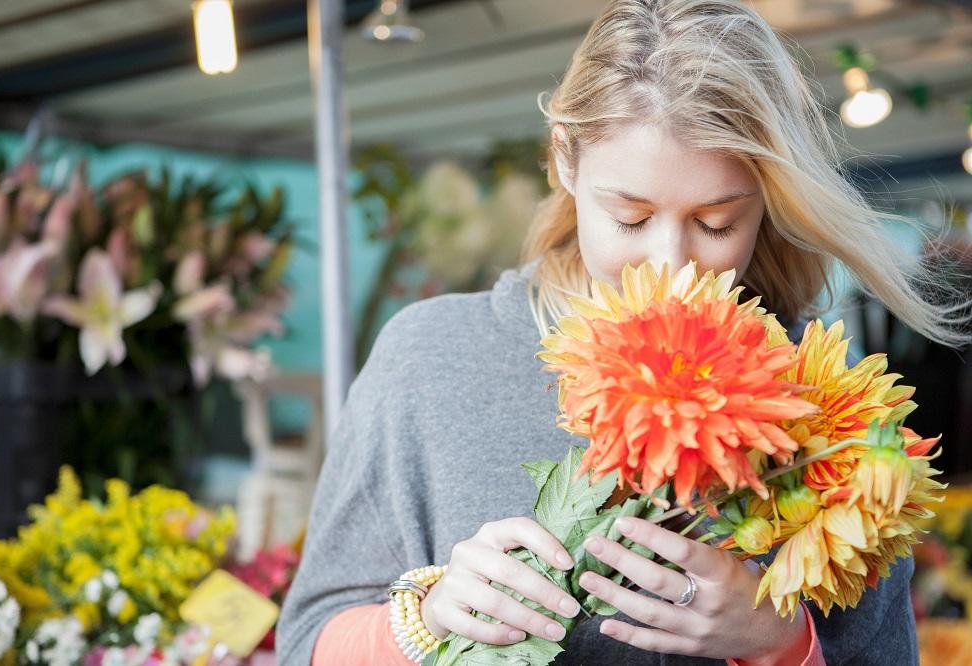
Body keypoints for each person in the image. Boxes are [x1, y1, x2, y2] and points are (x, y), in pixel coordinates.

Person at [277, 1, 968, 664]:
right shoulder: (430, 358)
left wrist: (775, 643)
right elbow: (306, 642)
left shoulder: (825, 408)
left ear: (769, 199)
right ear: (565, 161)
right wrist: (427, 621)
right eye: (631, 219)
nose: (670, 263)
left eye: (718, 222)